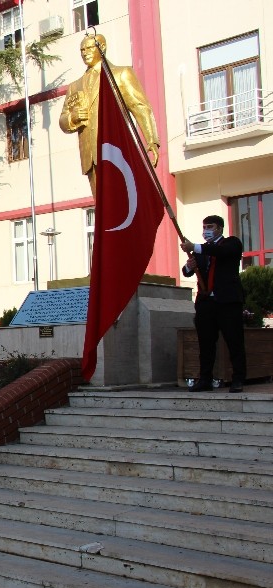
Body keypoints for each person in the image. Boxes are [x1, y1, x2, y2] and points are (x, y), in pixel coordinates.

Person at [58, 34, 160, 195]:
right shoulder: (74, 86)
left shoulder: (120, 74)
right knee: (102, 211)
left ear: (102, 47)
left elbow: (140, 107)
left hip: (116, 150)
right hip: (90, 158)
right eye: (82, 50)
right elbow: (63, 120)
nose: (85, 53)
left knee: (123, 202)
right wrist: (73, 117)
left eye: (89, 48)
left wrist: (152, 141)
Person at [180, 215, 246, 393]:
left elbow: (221, 253)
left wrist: (195, 247)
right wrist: (189, 265)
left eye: (210, 226)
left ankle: (238, 379)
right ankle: (205, 379)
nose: (206, 230)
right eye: (204, 227)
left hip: (227, 301)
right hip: (206, 302)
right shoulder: (202, 251)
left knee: (234, 341)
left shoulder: (231, 243)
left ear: (220, 228)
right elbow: (187, 272)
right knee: (206, 343)